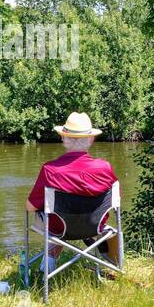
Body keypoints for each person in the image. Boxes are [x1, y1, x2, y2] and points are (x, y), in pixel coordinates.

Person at [27, 112, 119, 274]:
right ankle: (111, 262)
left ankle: (46, 268)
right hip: (95, 226)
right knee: (64, 214)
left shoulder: (50, 170)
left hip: (61, 228)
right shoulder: (105, 167)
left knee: (51, 215)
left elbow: (30, 207)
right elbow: (115, 200)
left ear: (64, 139)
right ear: (91, 140)